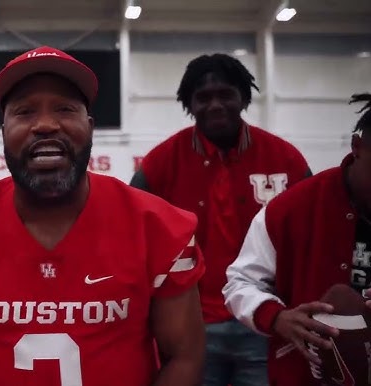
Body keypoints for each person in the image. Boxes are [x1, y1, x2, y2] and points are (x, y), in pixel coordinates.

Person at [0, 46, 206, 386]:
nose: (46, 124)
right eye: (24, 111)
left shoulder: (157, 227)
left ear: (90, 127)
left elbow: (184, 356)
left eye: (65, 109)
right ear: (4, 131)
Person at [129, 53, 311, 386]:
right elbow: (130, 236)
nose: (215, 104)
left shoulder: (285, 158)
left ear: (243, 97)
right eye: (203, 97)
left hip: (264, 324)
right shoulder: (161, 163)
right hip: (189, 328)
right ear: (189, 104)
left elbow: (312, 235)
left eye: (225, 94)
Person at [223, 93, 371, 385]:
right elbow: (240, 282)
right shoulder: (291, 208)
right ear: (357, 147)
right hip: (304, 373)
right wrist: (277, 317)